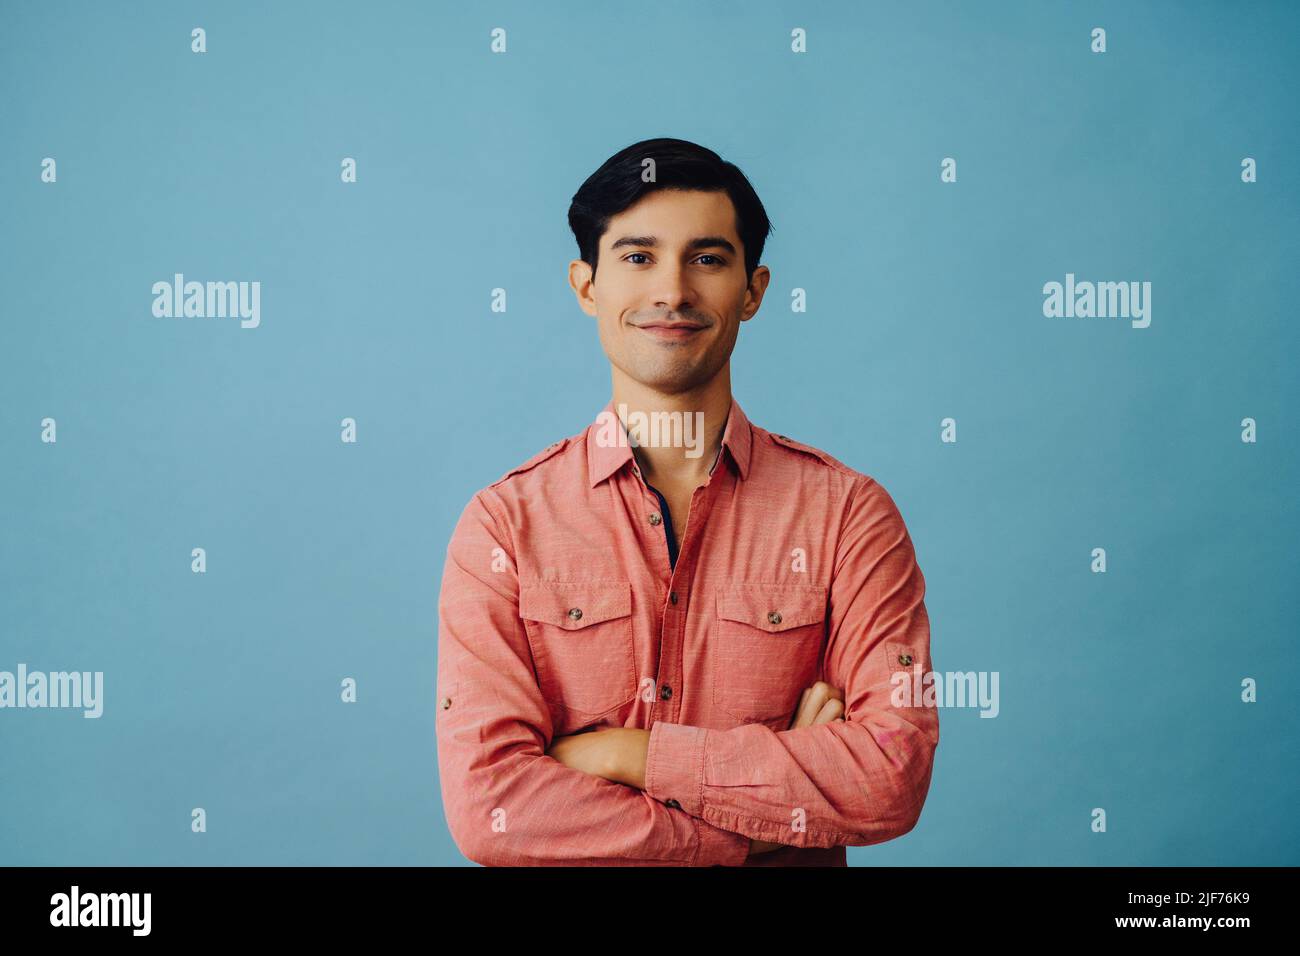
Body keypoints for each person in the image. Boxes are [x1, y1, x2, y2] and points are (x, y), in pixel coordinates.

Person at [436, 137, 938, 866]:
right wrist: (760, 817)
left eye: (706, 258)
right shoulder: (504, 527)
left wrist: (631, 756)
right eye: (638, 258)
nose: (672, 291)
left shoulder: (848, 515)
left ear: (754, 290)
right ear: (587, 287)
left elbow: (892, 778)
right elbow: (493, 810)